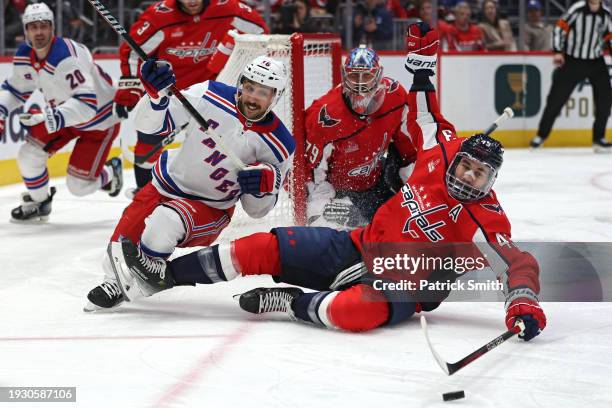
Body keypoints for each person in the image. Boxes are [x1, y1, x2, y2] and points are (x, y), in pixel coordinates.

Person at [107, 22, 547, 342]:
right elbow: (430, 116)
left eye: (481, 174)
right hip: (361, 241)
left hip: (404, 282)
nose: (469, 177)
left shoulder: (487, 216)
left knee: (356, 311)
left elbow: (518, 263)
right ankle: (165, 275)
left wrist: (523, 301)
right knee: (263, 245)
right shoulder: (443, 153)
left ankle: (291, 303)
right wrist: (422, 69)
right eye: (467, 166)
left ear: (492, 180)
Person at [84, 54, 293, 311]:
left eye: (263, 92)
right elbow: (148, 127)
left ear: (276, 96)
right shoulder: (209, 93)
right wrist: (155, 98)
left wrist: (261, 187)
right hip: (166, 185)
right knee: (118, 247)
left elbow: (256, 210)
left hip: (210, 208)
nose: (252, 97)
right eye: (249, 87)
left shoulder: (280, 143)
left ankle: (143, 277)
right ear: (240, 82)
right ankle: (118, 280)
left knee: (166, 221)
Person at [115, 0, 268, 197]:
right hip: (171, 92)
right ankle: (143, 195)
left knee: (220, 148)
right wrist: (129, 88)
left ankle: (219, 194)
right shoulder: (158, 17)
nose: (192, 1)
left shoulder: (230, 9)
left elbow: (262, 35)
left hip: (213, 96)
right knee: (146, 146)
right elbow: (131, 51)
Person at [0, 3, 123, 223]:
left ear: (52, 28)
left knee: (78, 187)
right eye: (33, 27)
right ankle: (39, 202)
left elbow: (87, 105)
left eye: (43, 26)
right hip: (65, 117)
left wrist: (49, 117)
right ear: (25, 30)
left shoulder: (66, 57)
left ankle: (109, 174)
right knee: (28, 155)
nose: (39, 32)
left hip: (100, 122)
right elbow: (15, 89)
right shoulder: (25, 55)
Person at [304, 45, 417, 229]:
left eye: (366, 75)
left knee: (406, 226)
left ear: (378, 75)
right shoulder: (324, 117)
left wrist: (416, 190)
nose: (359, 84)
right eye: (354, 75)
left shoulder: (396, 96)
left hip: (379, 181)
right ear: (344, 74)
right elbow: (314, 180)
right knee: (334, 234)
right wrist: (321, 213)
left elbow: (409, 154)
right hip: (339, 194)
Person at [530, 0, 611, 152]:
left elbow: (609, 34)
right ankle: (541, 135)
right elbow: (560, 27)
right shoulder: (577, 9)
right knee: (556, 98)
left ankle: (599, 138)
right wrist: (558, 51)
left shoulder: (605, 13)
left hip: (596, 61)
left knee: (605, 98)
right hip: (573, 60)